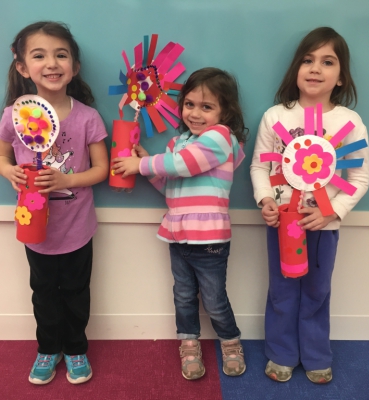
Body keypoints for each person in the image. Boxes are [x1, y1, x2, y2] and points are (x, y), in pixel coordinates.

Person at [250, 27, 369, 384]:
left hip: (323, 226)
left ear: (341, 77)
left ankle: (317, 354)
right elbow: (259, 166)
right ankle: (282, 352)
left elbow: (359, 179)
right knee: (283, 289)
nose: (315, 68)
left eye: (327, 61)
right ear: (296, 69)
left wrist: (331, 212)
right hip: (283, 224)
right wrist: (266, 199)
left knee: (317, 291)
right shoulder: (276, 117)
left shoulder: (349, 123)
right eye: (308, 59)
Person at [112, 67, 248, 380]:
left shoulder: (221, 137)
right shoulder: (178, 144)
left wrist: (141, 163)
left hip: (209, 238)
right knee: (183, 296)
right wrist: (147, 167)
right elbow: (171, 186)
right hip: (178, 234)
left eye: (207, 107)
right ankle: (188, 342)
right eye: (189, 104)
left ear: (224, 112)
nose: (195, 113)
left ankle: (230, 341)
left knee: (214, 300)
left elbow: (184, 166)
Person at [0, 21, 108, 385]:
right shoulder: (14, 115)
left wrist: (66, 180)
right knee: (43, 292)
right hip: (34, 226)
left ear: (74, 67)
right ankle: (48, 348)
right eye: (39, 55)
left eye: (61, 55)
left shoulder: (87, 117)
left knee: (77, 293)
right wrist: (9, 171)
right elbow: (1, 158)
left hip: (77, 227)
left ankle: (76, 348)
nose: (51, 63)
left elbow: (101, 170)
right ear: (21, 67)